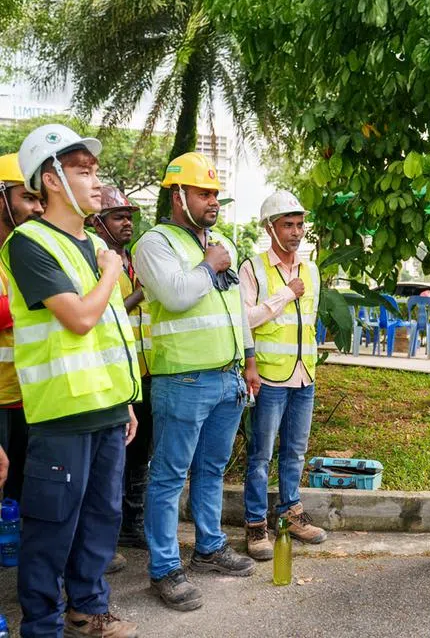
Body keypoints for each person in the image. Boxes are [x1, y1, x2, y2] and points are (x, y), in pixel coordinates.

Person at [2, 123, 142, 637]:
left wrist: (125, 400)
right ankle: (41, 625)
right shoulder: (29, 242)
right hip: (61, 414)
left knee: (100, 520)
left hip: (106, 408)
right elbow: (80, 318)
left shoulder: (89, 244)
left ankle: (88, 607)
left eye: (95, 171)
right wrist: (110, 270)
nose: (96, 182)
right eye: (84, 172)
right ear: (54, 179)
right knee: (52, 526)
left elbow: (108, 334)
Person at [133, 152, 259, 612]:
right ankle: (165, 568)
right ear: (177, 195)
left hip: (227, 379)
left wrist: (248, 359)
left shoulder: (219, 241)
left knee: (211, 470)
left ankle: (209, 547)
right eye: (204, 194)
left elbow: (236, 310)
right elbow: (175, 294)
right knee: (168, 476)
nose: (213, 203)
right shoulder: (154, 243)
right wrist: (209, 265)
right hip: (183, 380)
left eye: (215, 195)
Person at [240, 190, 326, 561]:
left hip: (303, 375)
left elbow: (310, 322)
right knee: (260, 455)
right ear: (270, 228)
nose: (295, 232)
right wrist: (285, 296)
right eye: (287, 225)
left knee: (295, 452)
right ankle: (255, 524)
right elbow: (245, 321)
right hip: (271, 378)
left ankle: (290, 513)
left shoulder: (312, 270)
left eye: (299, 224)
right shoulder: (253, 268)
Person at [87, 186, 151, 556]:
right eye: (118, 216)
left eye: (129, 216)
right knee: (111, 463)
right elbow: (101, 311)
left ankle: (132, 526)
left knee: (140, 457)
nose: (127, 223)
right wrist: (141, 292)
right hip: (110, 377)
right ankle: (104, 541)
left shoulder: (132, 260)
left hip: (142, 373)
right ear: (98, 222)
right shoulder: (98, 258)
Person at [0, 152, 43, 506]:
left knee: (19, 497)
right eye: (28, 197)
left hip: (28, 398)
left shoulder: (25, 255)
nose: (39, 208)